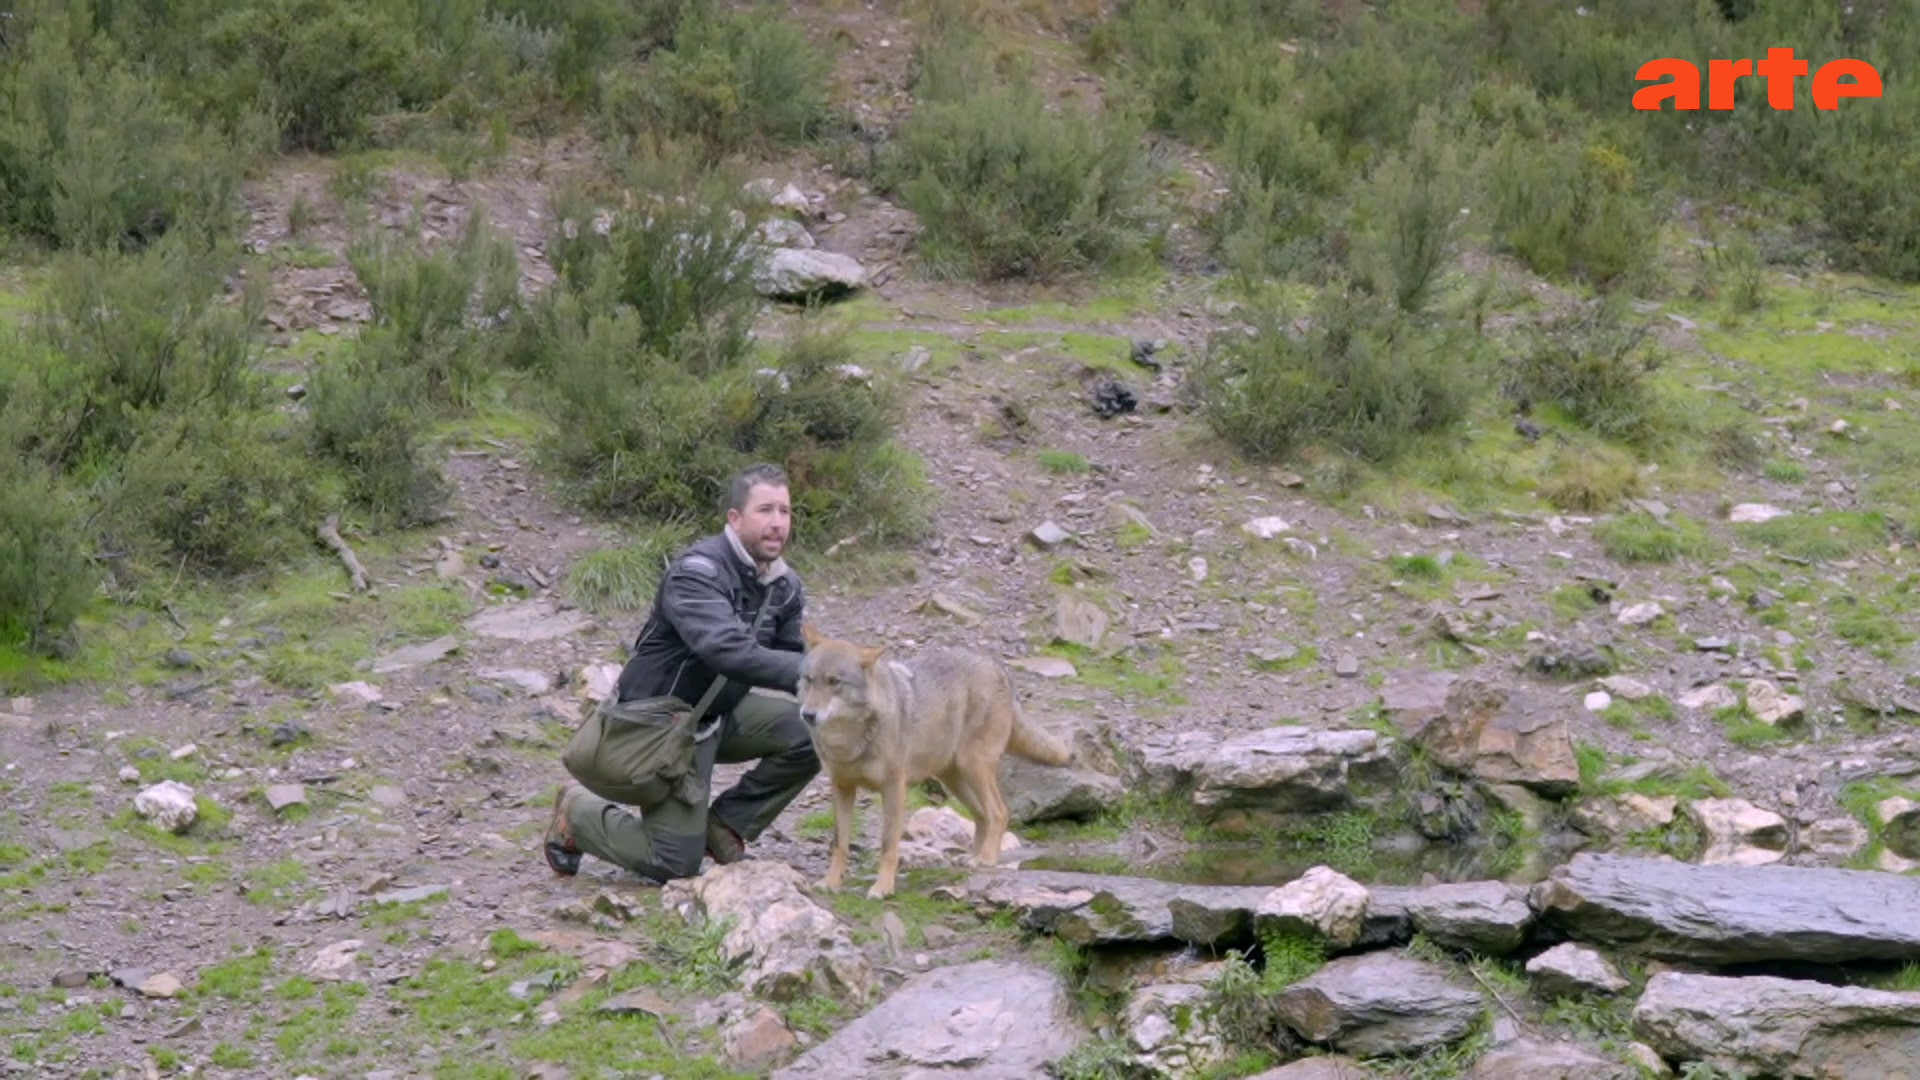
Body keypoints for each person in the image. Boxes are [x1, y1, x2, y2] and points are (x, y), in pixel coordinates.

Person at [544, 463, 819, 882]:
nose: (777, 523)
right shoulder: (697, 573)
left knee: (820, 730)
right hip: (658, 722)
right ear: (735, 518)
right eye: (765, 510)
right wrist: (822, 673)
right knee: (673, 863)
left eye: (784, 511)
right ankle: (576, 812)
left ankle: (725, 825)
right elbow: (729, 651)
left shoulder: (784, 585)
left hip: (716, 716)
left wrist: (849, 683)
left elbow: (787, 653)